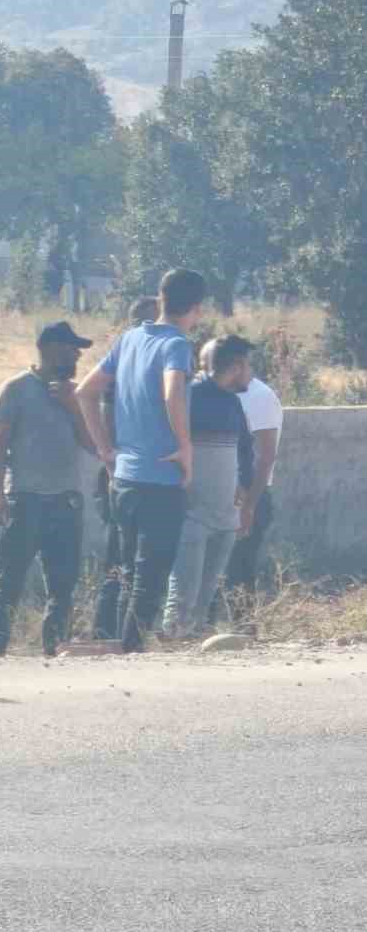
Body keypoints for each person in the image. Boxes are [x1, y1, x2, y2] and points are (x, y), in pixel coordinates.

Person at [77, 267, 207, 652]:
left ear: (161, 296)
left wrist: (104, 447)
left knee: (131, 570)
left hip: (125, 479)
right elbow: (172, 393)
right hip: (160, 479)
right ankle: (132, 648)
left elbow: (85, 392)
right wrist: (185, 446)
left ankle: (123, 644)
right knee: (152, 572)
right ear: (197, 307)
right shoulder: (177, 345)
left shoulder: (129, 339)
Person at [0, 322, 96, 657]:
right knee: (7, 584)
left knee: (62, 587)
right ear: (46, 348)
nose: (76, 354)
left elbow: (93, 445)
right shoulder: (14, 389)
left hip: (66, 503)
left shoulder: (77, 393)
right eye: (69, 347)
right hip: (25, 501)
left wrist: (73, 406)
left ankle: (54, 653)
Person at [162, 336, 256, 638]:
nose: (251, 372)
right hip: (193, 515)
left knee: (206, 593)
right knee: (183, 591)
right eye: (248, 365)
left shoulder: (233, 403)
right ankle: (172, 642)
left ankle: (195, 641)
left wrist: (243, 486)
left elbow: (244, 448)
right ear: (237, 366)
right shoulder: (190, 397)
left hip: (225, 516)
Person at [92, 296, 160, 640]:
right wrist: (109, 457)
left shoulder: (132, 358)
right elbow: (102, 411)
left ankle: (121, 632)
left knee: (131, 558)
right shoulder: (128, 361)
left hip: (133, 473)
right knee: (119, 558)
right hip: (124, 475)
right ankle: (109, 633)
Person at [220, 363, 284, 622]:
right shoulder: (216, 394)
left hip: (248, 495)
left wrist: (249, 504)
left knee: (238, 571)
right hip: (219, 493)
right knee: (217, 570)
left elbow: (265, 456)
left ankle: (243, 635)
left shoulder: (259, 397)